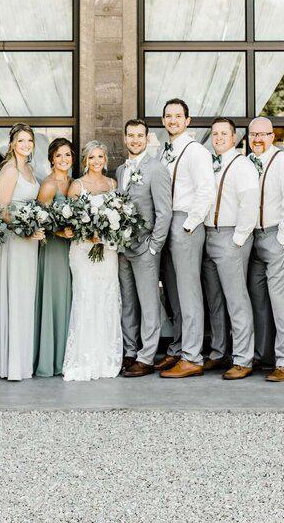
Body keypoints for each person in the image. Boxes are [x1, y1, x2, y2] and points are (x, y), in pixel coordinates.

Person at [157, 99, 216, 378]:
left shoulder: (196, 152)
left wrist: (189, 225)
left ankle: (192, 356)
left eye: (178, 116)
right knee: (173, 290)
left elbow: (206, 190)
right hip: (166, 221)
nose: (173, 120)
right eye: (168, 116)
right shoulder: (163, 152)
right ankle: (179, 348)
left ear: (187, 120)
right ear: (163, 121)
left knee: (189, 291)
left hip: (185, 222)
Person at [245, 116, 284, 383]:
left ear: (272, 136)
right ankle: (263, 354)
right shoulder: (246, 163)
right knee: (258, 299)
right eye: (253, 135)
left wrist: (283, 237)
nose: (258, 139)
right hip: (252, 238)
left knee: (281, 301)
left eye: (263, 134)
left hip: (277, 235)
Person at [201, 118, 258, 380]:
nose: (219, 138)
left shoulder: (242, 165)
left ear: (234, 138)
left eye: (224, 133)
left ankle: (243, 358)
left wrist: (238, 239)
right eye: (215, 133)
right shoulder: (209, 164)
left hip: (230, 236)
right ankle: (218, 352)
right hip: (208, 235)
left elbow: (250, 203)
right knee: (214, 300)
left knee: (237, 300)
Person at [62, 141, 123, 381]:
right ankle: (84, 358)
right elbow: (69, 220)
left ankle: (106, 357)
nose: (97, 161)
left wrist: (107, 234)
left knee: (107, 297)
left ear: (105, 160)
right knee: (86, 296)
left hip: (107, 251)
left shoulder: (112, 184)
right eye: (92, 157)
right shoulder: (77, 186)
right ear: (85, 160)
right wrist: (89, 235)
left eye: (100, 157)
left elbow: (120, 216)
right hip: (83, 251)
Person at [115, 119, 171, 377]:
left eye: (140, 135)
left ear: (147, 139)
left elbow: (164, 212)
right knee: (128, 303)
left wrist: (154, 246)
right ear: (125, 138)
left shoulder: (156, 169)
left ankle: (147, 357)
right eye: (131, 135)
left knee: (149, 305)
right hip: (122, 248)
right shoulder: (120, 170)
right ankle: (129, 352)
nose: (135, 140)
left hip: (145, 248)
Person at [0, 124, 45, 381]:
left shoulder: (30, 169)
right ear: (12, 143)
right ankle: (12, 365)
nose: (26, 145)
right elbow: (2, 209)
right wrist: (23, 230)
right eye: (21, 140)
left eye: (29, 141)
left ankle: (24, 362)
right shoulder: (10, 170)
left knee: (26, 296)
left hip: (30, 241)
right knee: (15, 295)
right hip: (15, 240)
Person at [34, 138, 75, 377]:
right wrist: (59, 232)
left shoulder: (73, 182)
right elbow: (38, 220)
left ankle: (66, 355)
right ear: (51, 158)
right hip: (54, 249)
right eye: (59, 155)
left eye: (67, 155)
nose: (63, 159)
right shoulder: (49, 185)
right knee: (56, 298)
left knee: (69, 298)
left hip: (72, 249)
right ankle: (51, 359)